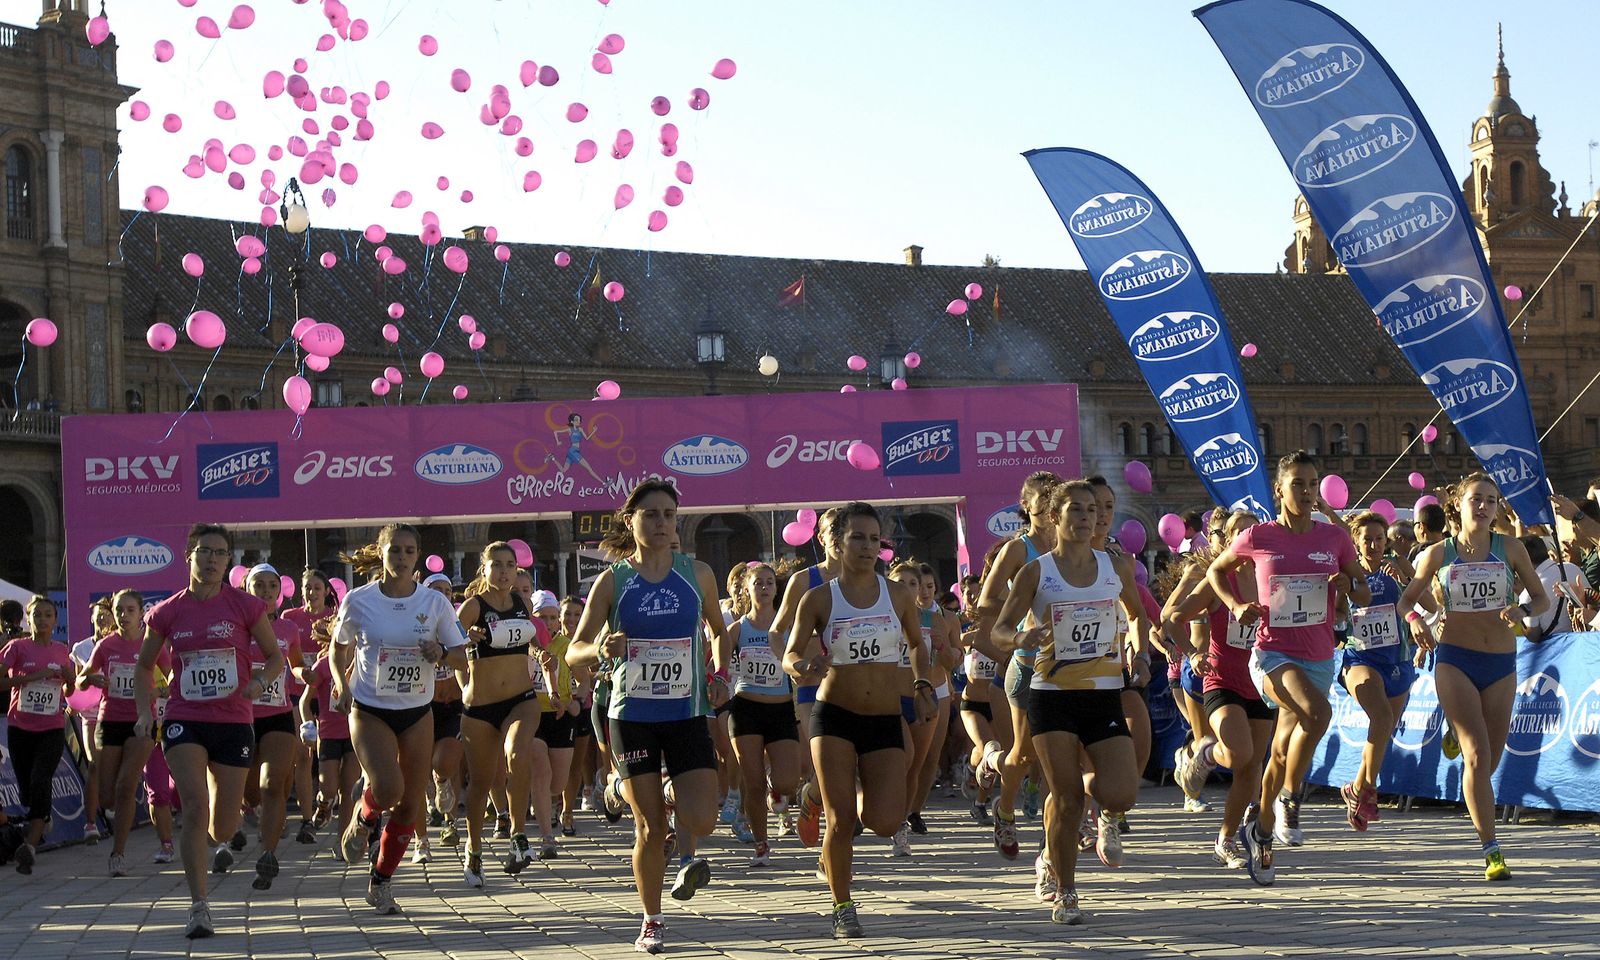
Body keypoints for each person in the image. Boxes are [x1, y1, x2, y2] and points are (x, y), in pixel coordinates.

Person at [566, 479, 730, 955]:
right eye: (651, 514)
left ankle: (622, 787)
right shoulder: (613, 580)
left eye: (668, 515)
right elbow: (575, 651)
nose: (661, 523)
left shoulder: (697, 574)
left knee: (702, 819)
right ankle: (652, 920)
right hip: (631, 713)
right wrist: (598, 647)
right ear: (631, 521)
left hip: (686, 712)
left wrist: (719, 673)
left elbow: (719, 633)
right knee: (650, 827)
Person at [991, 480, 1149, 925]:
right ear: (1055, 518)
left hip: (1102, 695)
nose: (1086, 517)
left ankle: (1078, 792)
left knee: (1121, 792)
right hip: (1052, 696)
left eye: (1092, 509)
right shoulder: (1036, 571)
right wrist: (1020, 636)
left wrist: (1139, 650)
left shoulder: (1115, 566)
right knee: (1065, 801)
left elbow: (1136, 615)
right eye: (1075, 510)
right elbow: (1000, 629)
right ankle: (1066, 890)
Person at [1207, 452, 1368, 886]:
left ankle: (1258, 830)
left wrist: (1348, 585)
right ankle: (1292, 799)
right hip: (1272, 655)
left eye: (1312, 483)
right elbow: (1216, 571)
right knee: (1319, 714)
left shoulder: (1334, 538)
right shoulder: (1259, 536)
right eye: (1298, 483)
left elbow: (1365, 592)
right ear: (1279, 490)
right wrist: (1237, 604)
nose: (1307, 491)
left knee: (1278, 754)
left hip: (1318, 656)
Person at [785, 501, 934, 939]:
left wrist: (923, 683)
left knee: (887, 820)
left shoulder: (898, 594)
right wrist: (802, 668)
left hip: (885, 716)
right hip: (835, 717)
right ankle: (843, 905)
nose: (868, 547)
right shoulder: (818, 598)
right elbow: (792, 652)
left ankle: (817, 793)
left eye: (874, 539)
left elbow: (915, 645)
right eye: (858, 538)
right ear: (837, 543)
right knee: (841, 819)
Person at [134, 524, 284, 938]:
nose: (213, 559)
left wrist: (258, 683)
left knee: (221, 826)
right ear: (189, 556)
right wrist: (144, 711)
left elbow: (274, 658)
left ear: (228, 561)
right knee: (195, 807)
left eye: (220, 553)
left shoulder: (245, 606)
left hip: (234, 720)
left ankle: (224, 837)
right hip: (186, 718)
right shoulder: (167, 611)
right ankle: (199, 905)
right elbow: (145, 665)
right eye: (204, 552)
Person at [1402, 473, 1548, 882]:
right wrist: (1415, 620)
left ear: (1497, 508)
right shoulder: (1438, 554)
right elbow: (1405, 601)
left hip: (1501, 663)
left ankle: (1457, 731)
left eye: (1490, 500)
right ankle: (1491, 848)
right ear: (1459, 505)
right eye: (1475, 500)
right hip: (1455, 659)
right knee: (1478, 756)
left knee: (1491, 760)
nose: (1482, 507)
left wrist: (1521, 611)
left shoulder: (1512, 548)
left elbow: (1542, 597)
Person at [331, 523, 468, 915]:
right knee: (388, 788)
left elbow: (462, 656)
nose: (403, 557)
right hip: (370, 708)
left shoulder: (435, 603)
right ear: (381, 552)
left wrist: (440, 652)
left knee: (411, 806)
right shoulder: (358, 601)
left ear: (417, 556)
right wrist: (341, 683)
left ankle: (381, 880)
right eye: (395, 550)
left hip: (416, 711)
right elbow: (337, 651)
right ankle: (364, 815)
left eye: (410, 551)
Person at [1170, 510, 1275, 870]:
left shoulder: (1269, 580)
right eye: (1241, 533)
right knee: (1239, 752)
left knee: (1251, 770)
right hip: (1222, 681)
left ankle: (1226, 839)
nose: (1249, 538)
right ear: (1230, 541)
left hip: (1260, 683)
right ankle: (1206, 755)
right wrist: (1193, 652)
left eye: (1254, 531)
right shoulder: (1219, 581)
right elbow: (1172, 619)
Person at [972, 471, 1061, 861]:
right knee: (1024, 756)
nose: (1050, 502)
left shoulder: (1074, 545)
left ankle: (1051, 843)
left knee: (1056, 759)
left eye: (1055, 495)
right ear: (1027, 506)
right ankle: (1004, 809)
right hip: (1026, 663)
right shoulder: (1016, 550)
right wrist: (1020, 616)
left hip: (1070, 665)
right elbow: (985, 603)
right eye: (1043, 497)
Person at [452, 542, 551, 883]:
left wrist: (542, 654)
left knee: (517, 752)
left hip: (520, 699)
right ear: (484, 569)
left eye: (510, 564)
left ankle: (519, 836)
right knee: (481, 783)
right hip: (480, 709)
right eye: (497, 565)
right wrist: (468, 637)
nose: (504, 571)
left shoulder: (522, 603)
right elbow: (448, 642)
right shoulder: (472, 606)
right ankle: (474, 851)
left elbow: (531, 640)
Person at [79, 589, 169, 876]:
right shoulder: (106, 646)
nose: (123, 615)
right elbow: (81, 681)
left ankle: (118, 853)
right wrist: (89, 678)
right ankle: (118, 811)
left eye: (130, 610)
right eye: (119, 610)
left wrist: (156, 691)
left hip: (143, 720)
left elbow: (174, 678)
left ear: (141, 613)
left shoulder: (153, 644)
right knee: (107, 796)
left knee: (125, 786)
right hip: (110, 721)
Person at [728, 562, 801, 866]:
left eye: (770, 582)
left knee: (787, 782)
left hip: (781, 708)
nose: (765, 587)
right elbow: (714, 663)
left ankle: (778, 792)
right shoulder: (737, 628)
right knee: (753, 781)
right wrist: (717, 676)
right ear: (746, 588)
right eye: (758, 582)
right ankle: (761, 844)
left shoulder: (786, 628)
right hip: (746, 709)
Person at [240, 564, 307, 888]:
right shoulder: (236, 627)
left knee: (272, 785)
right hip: (239, 717)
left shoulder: (289, 629)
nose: (266, 592)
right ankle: (240, 819)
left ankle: (268, 854)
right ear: (246, 589)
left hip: (278, 715)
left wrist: (302, 674)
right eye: (259, 586)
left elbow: (294, 666)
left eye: (271, 586)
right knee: (250, 792)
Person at [1, 596, 74, 876]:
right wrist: (28, 678)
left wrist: (69, 679)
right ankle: (42, 815)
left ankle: (28, 848)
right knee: (27, 792)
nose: (42, 620)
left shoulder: (61, 650)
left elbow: (71, 693)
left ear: (56, 621)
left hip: (52, 728)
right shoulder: (16, 647)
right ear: (28, 619)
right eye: (37, 615)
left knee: (40, 778)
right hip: (20, 727)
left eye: (48, 615)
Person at [771, 507, 844, 786]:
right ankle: (814, 801)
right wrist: (792, 665)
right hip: (812, 683)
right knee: (824, 761)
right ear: (820, 538)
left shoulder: (869, 582)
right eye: (833, 531)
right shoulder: (803, 580)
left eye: (844, 530)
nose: (839, 537)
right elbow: (776, 631)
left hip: (856, 684)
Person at [301, 620, 361, 851]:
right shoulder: (324, 665)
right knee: (328, 788)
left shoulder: (364, 664)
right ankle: (324, 804)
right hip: (328, 734)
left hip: (356, 734)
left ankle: (342, 842)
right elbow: (306, 701)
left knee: (348, 790)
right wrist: (308, 726)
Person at [531, 589, 581, 859]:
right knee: (540, 769)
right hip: (531, 714)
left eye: (552, 618)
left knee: (557, 784)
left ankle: (546, 800)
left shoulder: (566, 645)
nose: (548, 623)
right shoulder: (525, 644)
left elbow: (584, 680)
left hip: (561, 715)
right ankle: (547, 837)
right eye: (542, 618)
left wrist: (578, 700)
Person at [419, 572, 464, 857]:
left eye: (447, 590)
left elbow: (465, 659)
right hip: (421, 704)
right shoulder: (416, 622)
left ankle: (451, 822)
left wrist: (445, 652)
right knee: (418, 767)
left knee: (447, 763)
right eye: (436, 589)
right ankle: (421, 839)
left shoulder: (455, 622)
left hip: (452, 705)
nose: (443, 595)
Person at [70, 597, 116, 846]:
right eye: (98, 615)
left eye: (106, 615)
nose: (102, 619)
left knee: (116, 767)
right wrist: (88, 681)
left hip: (118, 713)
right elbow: (78, 683)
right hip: (90, 714)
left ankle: (111, 804)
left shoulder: (120, 644)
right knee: (94, 765)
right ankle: (90, 824)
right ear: (91, 618)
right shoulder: (82, 648)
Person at [1516, 535, 1591, 641]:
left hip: (1559, 652)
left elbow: (1533, 636)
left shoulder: (1528, 594)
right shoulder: (1572, 568)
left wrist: (1520, 599)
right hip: (1587, 642)